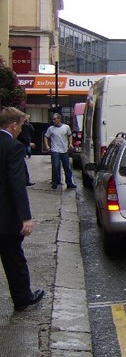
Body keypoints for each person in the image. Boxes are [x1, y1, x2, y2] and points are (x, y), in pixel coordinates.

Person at [0, 107, 45, 311]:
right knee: (14, 259)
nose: (21, 130)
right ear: (13, 125)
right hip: (6, 218)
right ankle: (23, 298)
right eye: (21, 125)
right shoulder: (13, 147)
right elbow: (17, 185)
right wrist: (25, 218)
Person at [44, 113, 76, 190]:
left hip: (64, 150)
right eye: (53, 119)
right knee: (55, 166)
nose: (53, 120)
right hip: (55, 150)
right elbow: (46, 137)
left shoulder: (66, 127)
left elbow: (70, 135)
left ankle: (69, 182)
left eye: (55, 119)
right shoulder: (50, 129)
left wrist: (70, 143)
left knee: (67, 167)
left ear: (59, 119)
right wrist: (47, 146)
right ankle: (55, 182)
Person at [17, 118, 35, 186]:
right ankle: (25, 181)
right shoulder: (26, 126)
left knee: (23, 164)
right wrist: (29, 141)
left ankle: (26, 181)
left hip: (24, 144)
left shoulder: (26, 126)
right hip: (22, 145)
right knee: (22, 164)